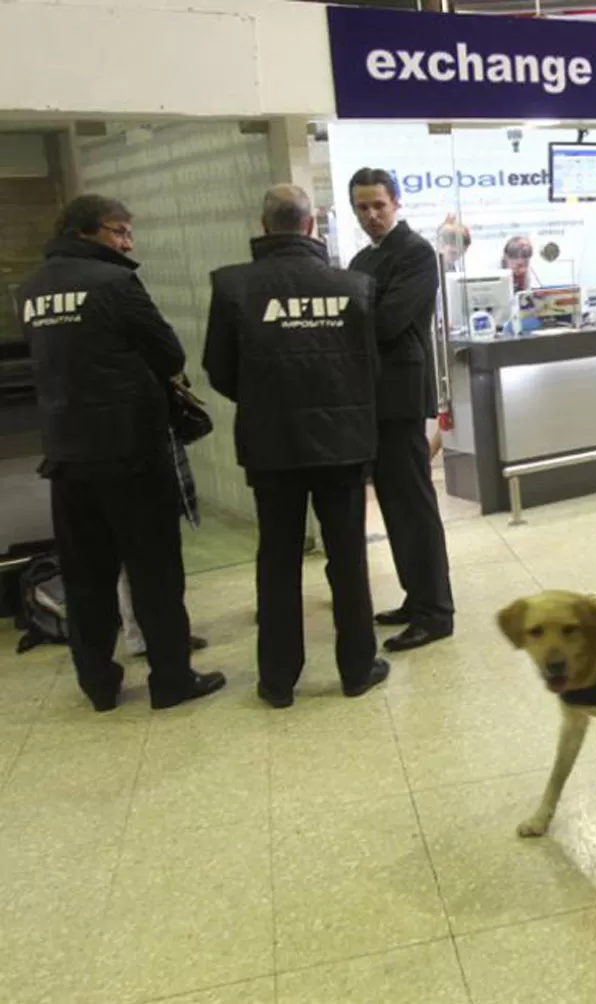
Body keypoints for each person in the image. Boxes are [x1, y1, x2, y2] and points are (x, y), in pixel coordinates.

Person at [18, 195, 225, 711]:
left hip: (66, 453)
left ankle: (99, 683)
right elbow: (169, 351)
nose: (128, 243)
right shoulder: (114, 283)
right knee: (154, 571)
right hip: (131, 452)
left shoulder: (30, 289)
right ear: (85, 231)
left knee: (86, 577)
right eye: (119, 232)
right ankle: (172, 679)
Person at [202, 184, 389, 708]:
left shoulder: (233, 286)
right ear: (311, 226)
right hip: (342, 444)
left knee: (278, 560)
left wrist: (263, 397)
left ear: (265, 227)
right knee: (347, 559)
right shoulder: (354, 285)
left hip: (271, 444)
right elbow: (368, 368)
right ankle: (356, 669)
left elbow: (219, 368)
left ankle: (277, 681)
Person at [347, 168, 454, 652]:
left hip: (401, 397)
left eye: (378, 205)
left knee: (413, 504)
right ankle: (416, 597)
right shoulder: (361, 260)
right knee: (392, 505)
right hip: (373, 397)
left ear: (396, 203)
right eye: (362, 207)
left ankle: (436, 611)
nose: (370, 215)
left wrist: (348, 317)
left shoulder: (414, 253)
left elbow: (389, 320)